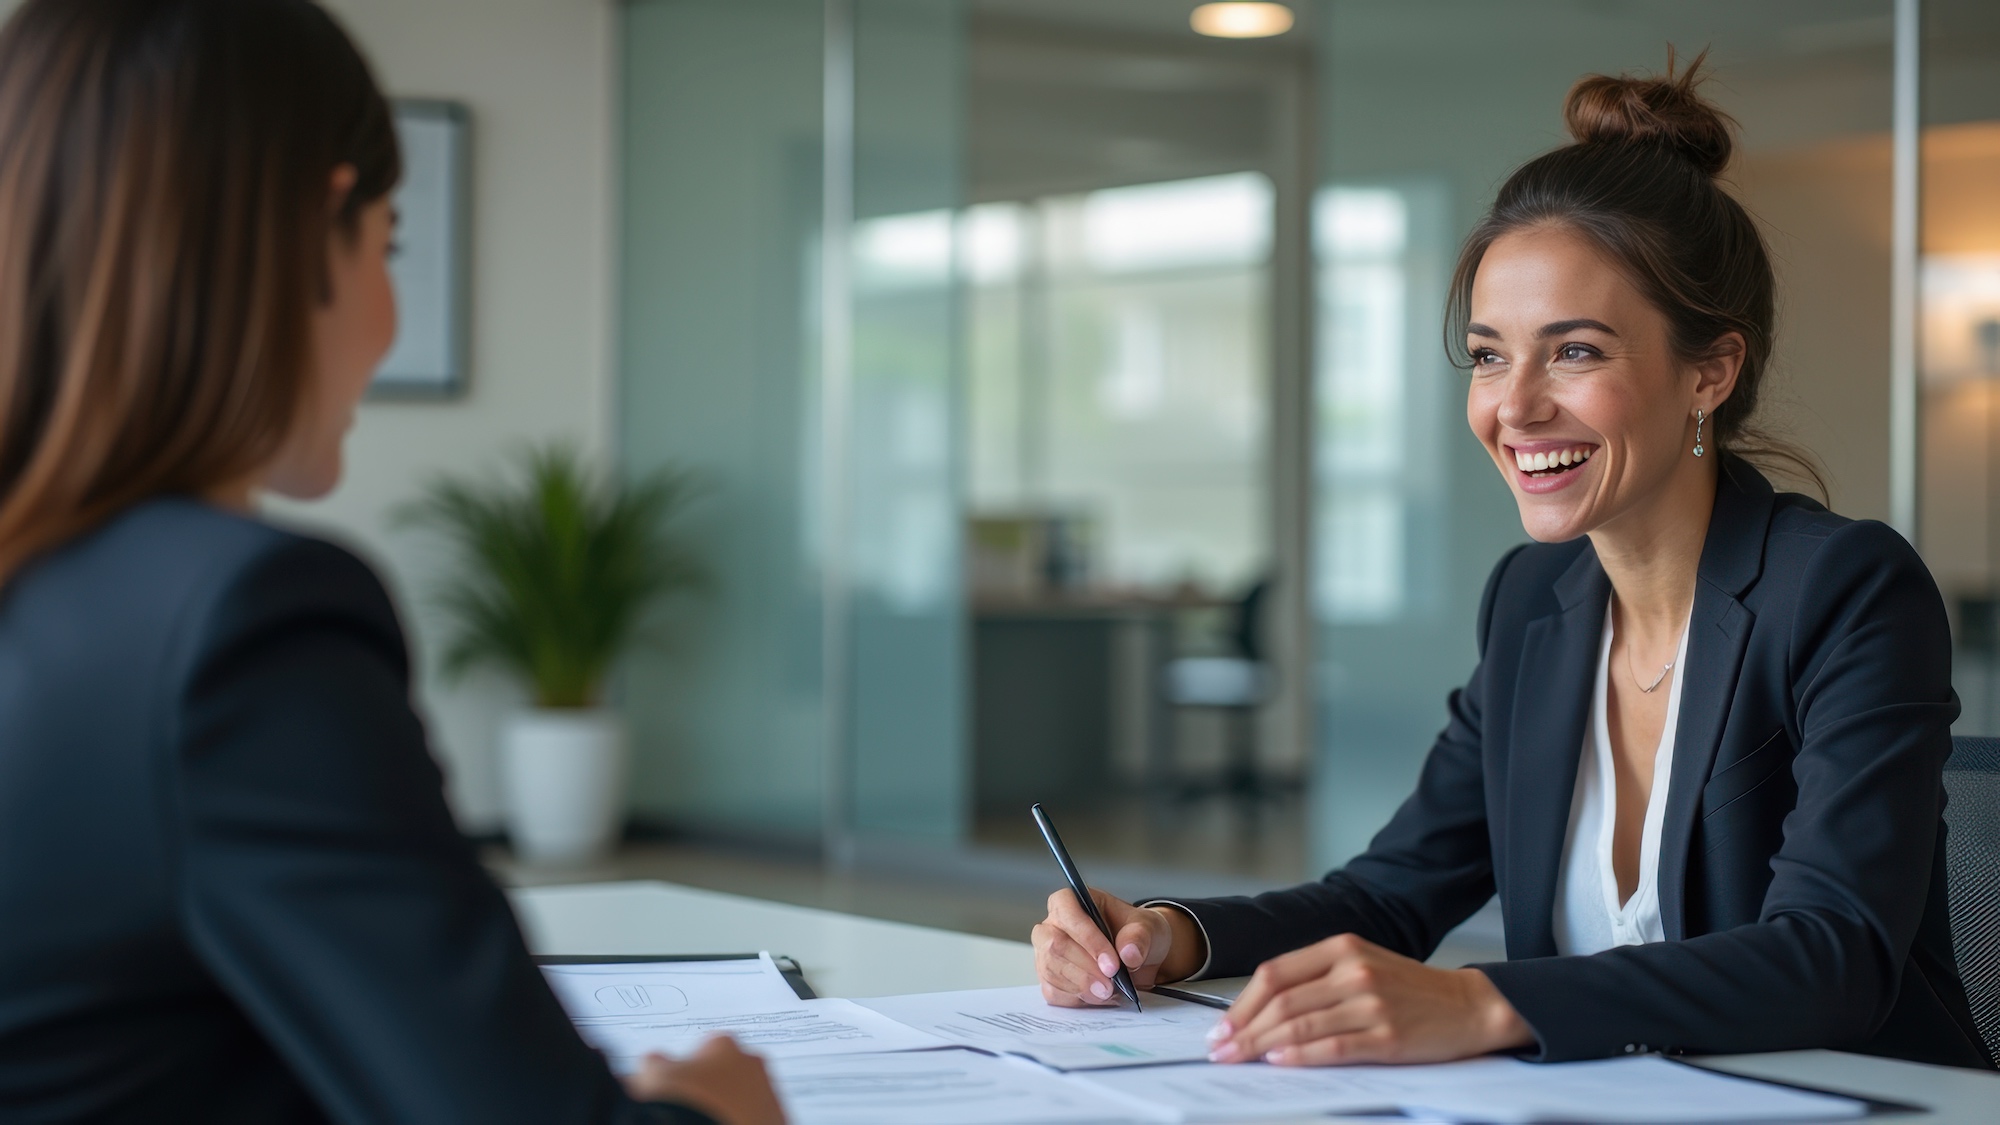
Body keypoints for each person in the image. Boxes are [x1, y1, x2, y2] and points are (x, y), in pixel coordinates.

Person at [1034, 57, 1995, 1072]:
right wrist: (1167, 934)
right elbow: (1390, 894)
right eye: (1490, 354)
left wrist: (1480, 1001)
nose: (1514, 406)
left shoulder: (1842, 588)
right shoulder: (1533, 601)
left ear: (1708, 372)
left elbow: (1830, 956)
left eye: (1573, 352)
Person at [0, 1, 786, 1122]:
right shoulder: (235, 624)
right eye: (390, 243)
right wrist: (711, 1111)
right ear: (323, 224)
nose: (388, 309)